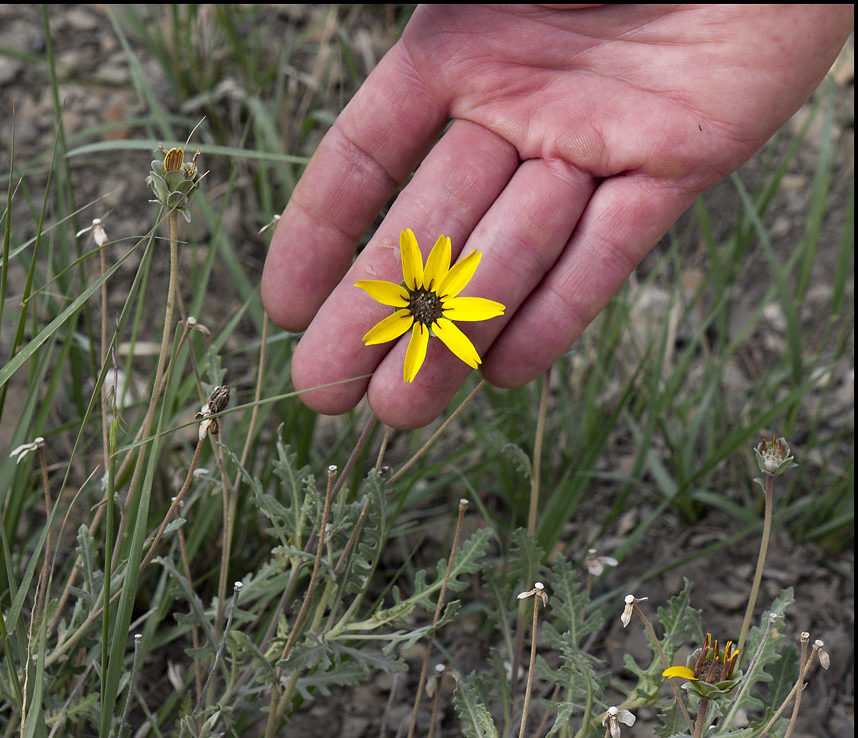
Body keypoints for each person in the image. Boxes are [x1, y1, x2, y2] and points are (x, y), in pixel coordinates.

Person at [261, 4, 853, 429]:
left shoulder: (433, 303)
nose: (423, 306)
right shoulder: (428, 308)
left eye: (423, 304)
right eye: (421, 305)